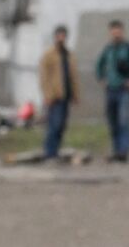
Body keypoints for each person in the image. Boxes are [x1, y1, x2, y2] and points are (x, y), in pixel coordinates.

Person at [95, 18, 129, 162]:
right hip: (110, 90)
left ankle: (124, 152)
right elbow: (99, 65)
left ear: (122, 32)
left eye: (118, 31)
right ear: (110, 33)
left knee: (123, 121)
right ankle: (116, 151)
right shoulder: (108, 49)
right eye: (113, 31)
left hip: (124, 90)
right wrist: (101, 79)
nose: (116, 34)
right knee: (113, 122)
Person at [37, 25, 79, 161]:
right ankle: (50, 152)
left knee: (61, 125)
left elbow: (73, 76)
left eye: (63, 35)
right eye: (59, 35)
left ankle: (56, 150)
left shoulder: (68, 55)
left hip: (65, 95)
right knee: (53, 124)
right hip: (54, 97)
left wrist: (76, 94)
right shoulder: (49, 55)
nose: (61, 38)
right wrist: (47, 95)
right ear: (55, 37)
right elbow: (44, 77)